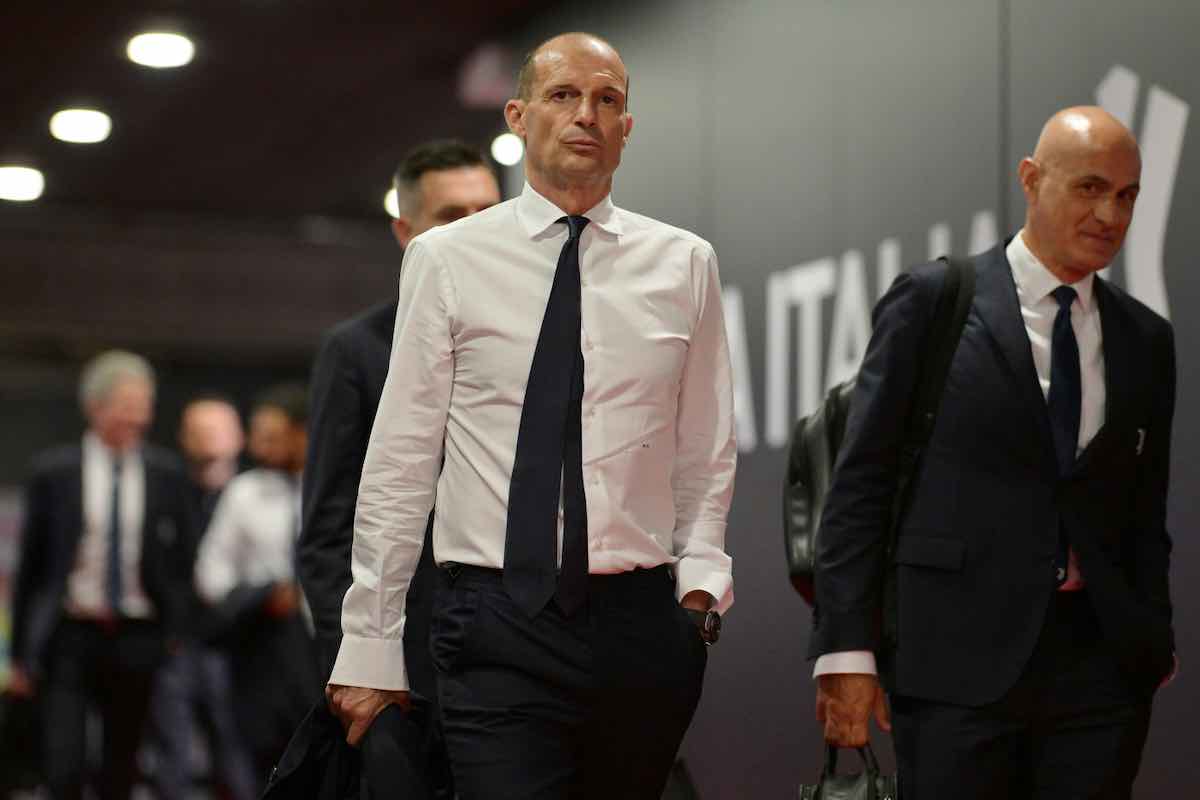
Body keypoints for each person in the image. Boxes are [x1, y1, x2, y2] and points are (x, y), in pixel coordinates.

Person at [326, 32, 736, 799]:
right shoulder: (446, 259)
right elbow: (401, 460)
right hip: (493, 619)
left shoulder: (685, 263)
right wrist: (370, 643)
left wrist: (701, 587)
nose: (586, 115)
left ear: (626, 128)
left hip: (642, 624)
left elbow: (704, 446)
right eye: (563, 95)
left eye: (606, 100)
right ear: (518, 116)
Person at [810, 106, 1176, 799]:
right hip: (953, 664)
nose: (1111, 215)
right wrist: (846, 650)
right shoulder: (935, 300)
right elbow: (860, 485)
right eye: (1091, 188)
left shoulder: (1146, 340)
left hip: (1100, 674)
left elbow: (1145, 508)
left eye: (1127, 195)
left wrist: (1150, 633)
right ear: (1031, 179)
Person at [298, 139, 500, 796]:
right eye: (451, 215)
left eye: (486, 210)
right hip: (400, 669)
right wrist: (356, 662)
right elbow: (327, 529)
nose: (473, 229)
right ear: (406, 232)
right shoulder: (357, 349)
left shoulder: (544, 338)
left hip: (515, 660)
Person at [9, 350, 194, 799]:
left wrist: (175, 630)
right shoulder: (54, 473)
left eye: (144, 405)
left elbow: (183, 561)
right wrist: (20, 654)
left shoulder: (167, 473)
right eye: (126, 405)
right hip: (70, 632)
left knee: (122, 760)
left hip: (139, 634)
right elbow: (31, 568)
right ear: (94, 406)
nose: (138, 417)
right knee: (64, 762)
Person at [194, 384, 319, 787]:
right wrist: (257, 595)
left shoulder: (335, 489)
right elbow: (211, 571)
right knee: (261, 758)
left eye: (273, 435)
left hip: (326, 642)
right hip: (262, 644)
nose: (260, 446)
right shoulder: (243, 492)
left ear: (303, 432)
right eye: (257, 434)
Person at [143, 395, 257, 800]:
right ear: (182, 437)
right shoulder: (162, 496)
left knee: (237, 758)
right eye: (198, 430)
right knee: (170, 760)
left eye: (217, 429)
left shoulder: (258, 496)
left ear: (239, 437)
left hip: (241, 648)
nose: (208, 438)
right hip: (175, 644)